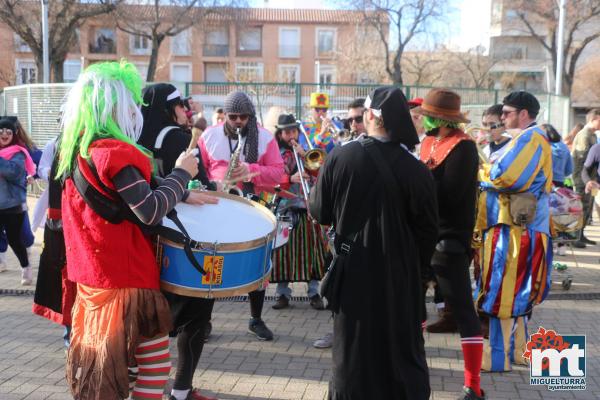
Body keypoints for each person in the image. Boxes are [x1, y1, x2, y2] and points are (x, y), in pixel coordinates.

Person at [57, 61, 217, 400]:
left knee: (117, 370)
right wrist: (181, 174)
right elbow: (148, 210)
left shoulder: (82, 152)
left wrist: (183, 192)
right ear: (118, 107)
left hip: (95, 279)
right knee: (153, 367)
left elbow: (129, 195)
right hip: (125, 280)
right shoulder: (116, 153)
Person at [309, 86, 438, 399]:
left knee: (353, 350)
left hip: (353, 270)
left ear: (368, 116)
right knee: (401, 348)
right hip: (401, 274)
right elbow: (429, 231)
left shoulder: (340, 157)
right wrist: (417, 270)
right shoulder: (417, 169)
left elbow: (319, 211)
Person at [138, 83, 218, 400]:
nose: (186, 110)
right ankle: (181, 390)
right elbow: (200, 185)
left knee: (150, 316)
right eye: (181, 105)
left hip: (148, 236)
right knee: (197, 311)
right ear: (170, 108)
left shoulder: (134, 136)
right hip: (185, 234)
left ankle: (143, 385)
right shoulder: (175, 137)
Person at [473, 91, 553, 374]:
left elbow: (507, 178)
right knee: (517, 293)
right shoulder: (525, 139)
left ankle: (497, 358)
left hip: (516, 231)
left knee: (503, 293)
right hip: (518, 229)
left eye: (506, 112)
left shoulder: (531, 138)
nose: (502, 117)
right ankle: (517, 352)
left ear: (523, 114)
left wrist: (481, 170)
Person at [415, 89, 485, 400]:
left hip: (450, 241)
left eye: (427, 113)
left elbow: (449, 195)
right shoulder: (430, 142)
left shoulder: (464, 148)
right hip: (422, 238)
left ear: (441, 118)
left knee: (463, 311)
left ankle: (473, 385)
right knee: (413, 306)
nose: (422, 118)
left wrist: (414, 186)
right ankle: (412, 372)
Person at [199, 91, 284, 341]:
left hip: (251, 207)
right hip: (217, 206)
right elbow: (199, 170)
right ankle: (204, 321)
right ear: (224, 115)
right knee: (211, 262)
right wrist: (211, 184)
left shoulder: (265, 138)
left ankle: (255, 319)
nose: (237, 121)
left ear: (251, 116)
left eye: (243, 117)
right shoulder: (209, 135)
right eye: (232, 116)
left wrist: (250, 170)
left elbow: (278, 174)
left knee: (257, 261)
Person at [312, 98, 368, 350]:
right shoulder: (344, 146)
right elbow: (322, 164)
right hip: (345, 227)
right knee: (340, 282)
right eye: (349, 120)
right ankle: (339, 332)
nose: (354, 125)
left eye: (358, 119)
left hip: (372, 230)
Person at [270, 113, 328, 310]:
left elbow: (320, 172)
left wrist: (304, 155)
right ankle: (282, 293)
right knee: (282, 252)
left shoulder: (305, 151)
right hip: (285, 206)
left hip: (307, 207)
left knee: (312, 252)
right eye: (287, 131)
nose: (291, 134)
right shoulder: (275, 153)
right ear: (280, 134)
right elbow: (271, 179)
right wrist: (289, 178)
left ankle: (314, 292)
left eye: (294, 130)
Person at [0, 117, 33, 283]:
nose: (4, 134)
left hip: (12, 205)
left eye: (8, 131)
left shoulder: (17, 153)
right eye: (1, 131)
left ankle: (26, 266)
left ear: (13, 134)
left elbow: (13, 172)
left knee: (14, 239)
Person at [571, 109, 600, 248]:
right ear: (593, 119)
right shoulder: (584, 135)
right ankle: (575, 236)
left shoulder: (593, 135)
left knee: (587, 208)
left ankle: (581, 234)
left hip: (592, 180)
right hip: (582, 179)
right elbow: (583, 161)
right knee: (580, 208)